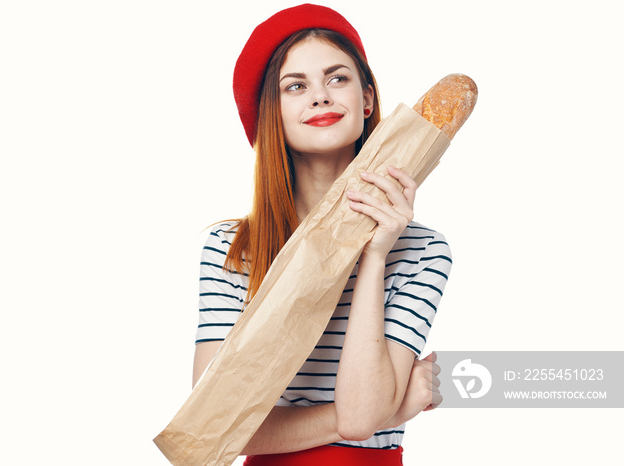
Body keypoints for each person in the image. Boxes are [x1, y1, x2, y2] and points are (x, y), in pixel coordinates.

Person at [192, 4, 451, 465]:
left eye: (337, 78)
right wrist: (383, 408)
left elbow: (359, 416)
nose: (320, 97)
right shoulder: (233, 250)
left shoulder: (421, 251)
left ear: (367, 99)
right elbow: (215, 425)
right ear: (273, 114)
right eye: (296, 86)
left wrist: (374, 255)